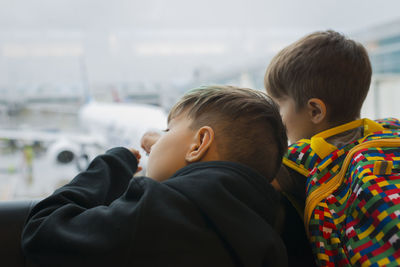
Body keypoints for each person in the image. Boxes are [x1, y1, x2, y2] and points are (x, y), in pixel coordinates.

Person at [22, 85, 289, 267]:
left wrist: (110, 166)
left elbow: (41, 231)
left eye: (167, 130)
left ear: (198, 145)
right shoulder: (271, 236)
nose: (153, 141)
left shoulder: (152, 210)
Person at [265, 30, 400, 266]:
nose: (276, 119)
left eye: (278, 107)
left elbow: (251, 181)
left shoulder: (306, 155)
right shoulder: (390, 128)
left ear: (315, 111)